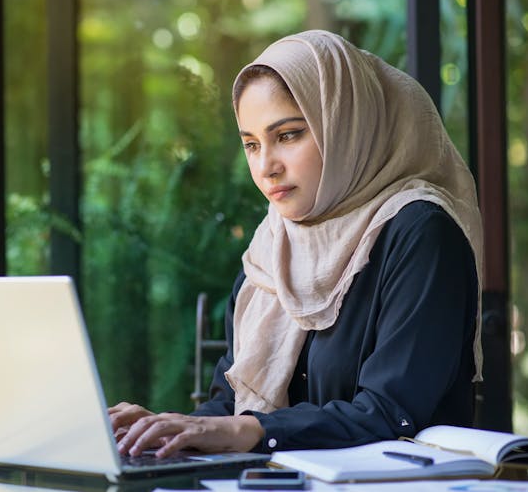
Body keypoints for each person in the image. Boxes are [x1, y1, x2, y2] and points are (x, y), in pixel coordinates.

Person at [108, 30, 483, 458]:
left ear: (346, 125)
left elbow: (390, 412)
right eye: (251, 144)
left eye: (287, 135)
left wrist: (247, 430)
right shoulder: (273, 247)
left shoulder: (421, 232)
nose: (266, 166)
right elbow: (232, 408)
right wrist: (162, 430)